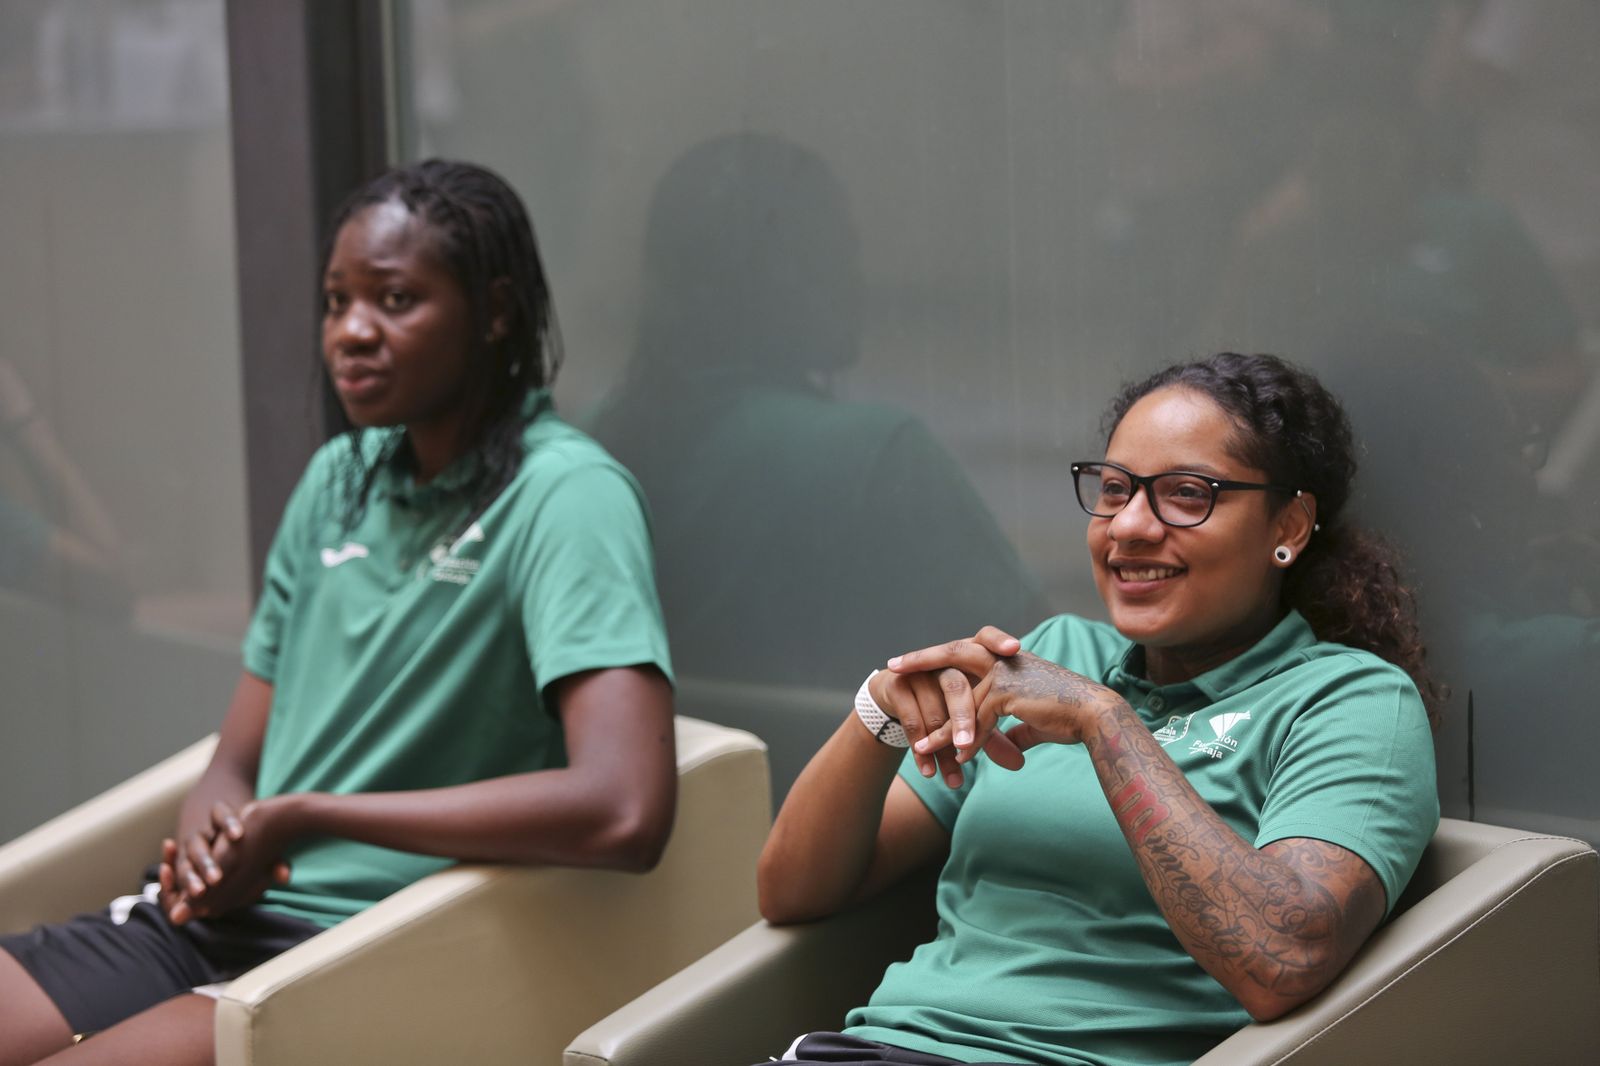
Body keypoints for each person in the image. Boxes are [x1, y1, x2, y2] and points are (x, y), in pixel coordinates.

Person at [0, 159, 677, 1066]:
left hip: (361, 948)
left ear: (497, 310)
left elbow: (624, 809)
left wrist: (314, 815)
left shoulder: (568, 496)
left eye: (395, 300)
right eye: (336, 301)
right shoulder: (338, 480)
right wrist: (217, 832)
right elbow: (235, 762)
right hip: (204, 925)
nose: (352, 332)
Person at [756, 352, 1440, 1066]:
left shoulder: (1347, 700)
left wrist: (1106, 722)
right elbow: (793, 893)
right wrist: (880, 713)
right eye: (1115, 490)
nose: (1131, 526)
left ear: (1289, 527)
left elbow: (1283, 957)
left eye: (1186, 494)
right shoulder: (1049, 654)